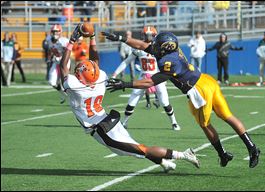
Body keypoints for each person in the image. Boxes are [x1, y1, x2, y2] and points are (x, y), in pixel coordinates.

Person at [102, 31, 260, 168]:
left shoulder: (168, 61)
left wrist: (125, 84)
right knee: (227, 115)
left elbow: (150, 81)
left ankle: (223, 154)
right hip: (206, 81)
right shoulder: (171, 51)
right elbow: (142, 46)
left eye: (157, 44)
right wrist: (121, 38)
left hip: (198, 90)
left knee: (205, 125)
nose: (153, 46)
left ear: (165, 48)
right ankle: (252, 147)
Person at [59, 24, 200, 173]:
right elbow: (95, 61)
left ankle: (183, 154)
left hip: (100, 128)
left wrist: (72, 40)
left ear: (82, 78)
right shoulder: (100, 78)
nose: (78, 71)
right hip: (106, 120)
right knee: (135, 149)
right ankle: (165, 164)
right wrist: (93, 38)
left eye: (80, 71)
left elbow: (63, 66)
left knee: (141, 149)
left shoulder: (76, 87)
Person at [112, 26, 180, 131]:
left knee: (164, 101)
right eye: (146, 35)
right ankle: (124, 122)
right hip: (143, 76)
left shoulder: (160, 48)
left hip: (157, 76)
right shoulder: (139, 48)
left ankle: (174, 122)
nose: (147, 37)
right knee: (132, 100)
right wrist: (115, 74)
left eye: (149, 35)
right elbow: (127, 61)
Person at [47, 24, 69, 104]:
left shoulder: (64, 41)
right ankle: (63, 94)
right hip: (56, 61)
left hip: (65, 61)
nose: (54, 33)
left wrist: (61, 58)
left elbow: (68, 52)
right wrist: (49, 58)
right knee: (51, 82)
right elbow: (50, 50)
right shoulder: (49, 40)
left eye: (56, 31)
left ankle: (73, 97)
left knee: (65, 81)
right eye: (53, 31)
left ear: (60, 32)